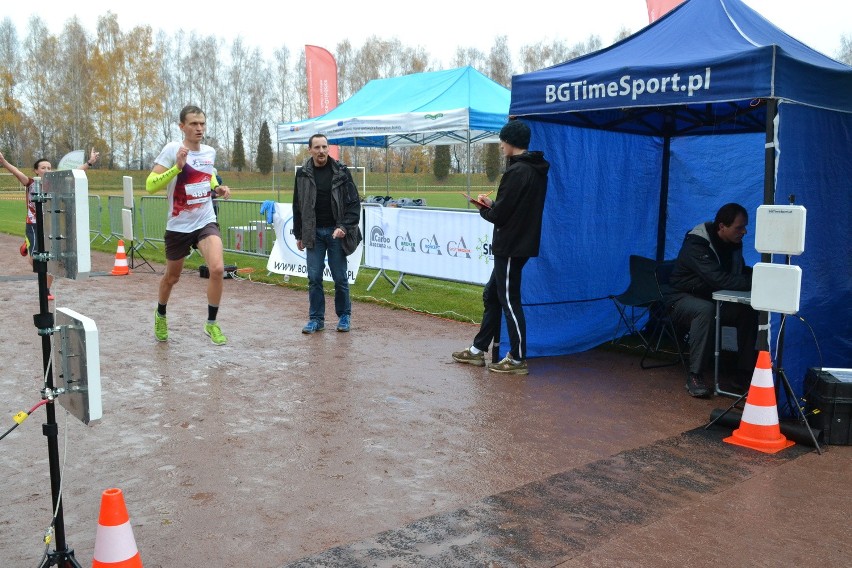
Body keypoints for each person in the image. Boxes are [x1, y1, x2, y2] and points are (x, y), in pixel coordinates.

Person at [451, 119, 550, 375]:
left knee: (508, 300)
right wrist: (493, 203)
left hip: (510, 245)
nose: (501, 144)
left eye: (502, 140)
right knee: (492, 295)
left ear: (509, 142)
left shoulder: (517, 171)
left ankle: (517, 358)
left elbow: (501, 215)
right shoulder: (534, 169)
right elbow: (513, 208)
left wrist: (483, 207)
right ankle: (477, 349)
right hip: (518, 243)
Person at [146, 104, 231, 345]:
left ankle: (211, 323)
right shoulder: (174, 149)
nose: (199, 128)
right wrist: (177, 168)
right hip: (179, 226)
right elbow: (151, 185)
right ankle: (161, 313)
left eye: (202, 123)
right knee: (172, 277)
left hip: (205, 220)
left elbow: (208, 175)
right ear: (182, 126)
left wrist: (217, 187)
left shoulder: (209, 152)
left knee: (216, 269)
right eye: (194, 124)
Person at [665, 202, 759, 398]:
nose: (744, 232)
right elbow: (719, 279)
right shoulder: (697, 244)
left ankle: (743, 374)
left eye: (745, 227)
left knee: (747, 311)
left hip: (713, 298)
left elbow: (737, 273)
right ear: (722, 226)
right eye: (739, 227)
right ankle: (694, 376)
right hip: (680, 298)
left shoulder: (733, 244)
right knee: (705, 310)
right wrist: (755, 281)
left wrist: (759, 274)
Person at [0, 148, 100, 300]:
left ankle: (46, 290)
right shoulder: (30, 183)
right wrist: (4, 162)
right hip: (34, 225)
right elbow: (16, 173)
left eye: (49, 167)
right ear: (36, 170)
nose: (46, 170)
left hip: (50, 225)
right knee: (36, 261)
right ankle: (28, 246)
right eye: (43, 167)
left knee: (53, 261)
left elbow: (74, 172)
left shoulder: (55, 183)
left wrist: (89, 163)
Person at [292, 133, 361, 334]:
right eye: (317, 147)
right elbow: (298, 204)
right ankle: (316, 319)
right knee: (314, 278)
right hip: (313, 234)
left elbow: (354, 203)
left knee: (340, 277)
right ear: (310, 150)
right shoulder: (302, 173)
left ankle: (344, 316)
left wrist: (344, 227)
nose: (321, 151)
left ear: (328, 148)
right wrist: (299, 234)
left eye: (324, 147)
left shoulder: (341, 171)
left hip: (335, 233)